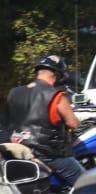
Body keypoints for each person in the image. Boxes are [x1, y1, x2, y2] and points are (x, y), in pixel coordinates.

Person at [6, 55, 84, 187]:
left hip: (18, 147)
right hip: (46, 152)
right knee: (86, 183)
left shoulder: (14, 93)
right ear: (57, 75)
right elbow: (73, 123)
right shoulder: (56, 95)